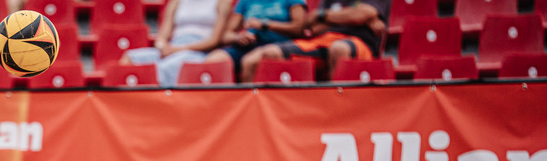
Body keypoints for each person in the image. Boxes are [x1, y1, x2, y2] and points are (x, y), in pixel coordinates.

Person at [239, 0, 389, 82]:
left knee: (339, 49)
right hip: (322, 40)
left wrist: (324, 16)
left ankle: (336, 109)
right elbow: (313, 25)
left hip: (361, 43)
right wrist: (354, 17)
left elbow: (363, 13)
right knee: (267, 54)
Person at [119, 0, 231, 88]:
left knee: (164, 68)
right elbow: (162, 36)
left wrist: (179, 49)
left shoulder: (222, 2)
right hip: (172, 48)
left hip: (198, 51)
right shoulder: (176, 1)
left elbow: (215, 40)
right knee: (130, 58)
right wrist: (162, 47)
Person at [199, 0, 308, 81]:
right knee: (214, 60)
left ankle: (250, 107)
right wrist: (238, 37)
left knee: (250, 61)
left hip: (279, 44)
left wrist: (265, 25)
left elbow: (299, 28)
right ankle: (225, 105)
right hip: (249, 45)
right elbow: (226, 35)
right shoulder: (245, 2)